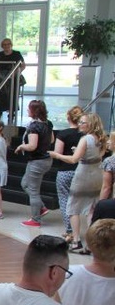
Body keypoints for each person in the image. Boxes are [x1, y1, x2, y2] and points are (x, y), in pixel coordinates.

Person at [49, 112, 106, 253]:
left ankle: (76, 241)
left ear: (91, 124)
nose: (79, 125)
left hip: (83, 174)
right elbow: (97, 155)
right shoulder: (101, 138)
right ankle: (93, 243)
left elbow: (73, 160)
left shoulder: (85, 139)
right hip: (97, 174)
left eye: (83, 122)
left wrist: (56, 155)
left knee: (73, 207)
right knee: (92, 209)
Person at [15, 100, 54, 227]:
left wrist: (22, 146)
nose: (27, 110)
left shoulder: (34, 127)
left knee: (33, 190)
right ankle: (41, 207)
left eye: (29, 108)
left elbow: (32, 146)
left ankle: (36, 219)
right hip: (46, 160)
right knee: (24, 184)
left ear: (34, 111)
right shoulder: (48, 124)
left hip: (37, 161)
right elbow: (52, 139)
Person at [55, 106, 85, 240]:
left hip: (65, 170)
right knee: (78, 201)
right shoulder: (86, 135)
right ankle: (78, 230)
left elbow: (57, 153)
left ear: (68, 118)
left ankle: (70, 230)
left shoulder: (63, 134)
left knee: (64, 199)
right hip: (81, 171)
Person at [0, 38, 25, 121]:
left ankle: (11, 111)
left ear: (11, 45)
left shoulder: (17, 54)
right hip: (1, 75)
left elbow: (23, 65)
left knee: (11, 90)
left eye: (8, 44)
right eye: (4, 45)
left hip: (13, 75)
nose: (6, 46)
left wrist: (15, 73)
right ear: (2, 46)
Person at [99, 131, 115, 200]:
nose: (108, 142)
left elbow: (106, 188)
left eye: (110, 140)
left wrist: (99, 206)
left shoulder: (109, 161)